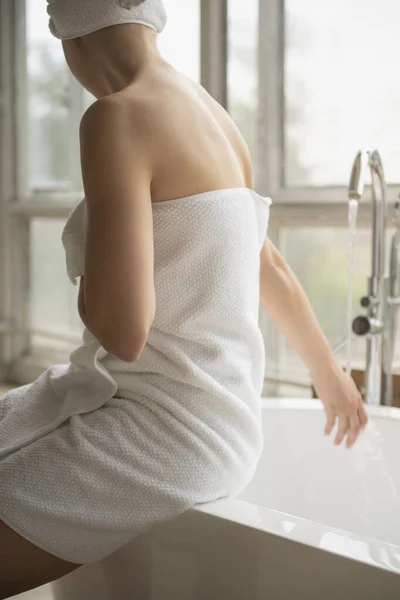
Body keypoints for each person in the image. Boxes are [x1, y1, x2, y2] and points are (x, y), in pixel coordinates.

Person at [0, 0, 368, 596]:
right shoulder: (214, 116)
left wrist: (93, 261)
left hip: (159, 433)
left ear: (68, 32)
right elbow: (267, 261)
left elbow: (123, 331)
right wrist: (330, 375)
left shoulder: (113, 118)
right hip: (219, 425)